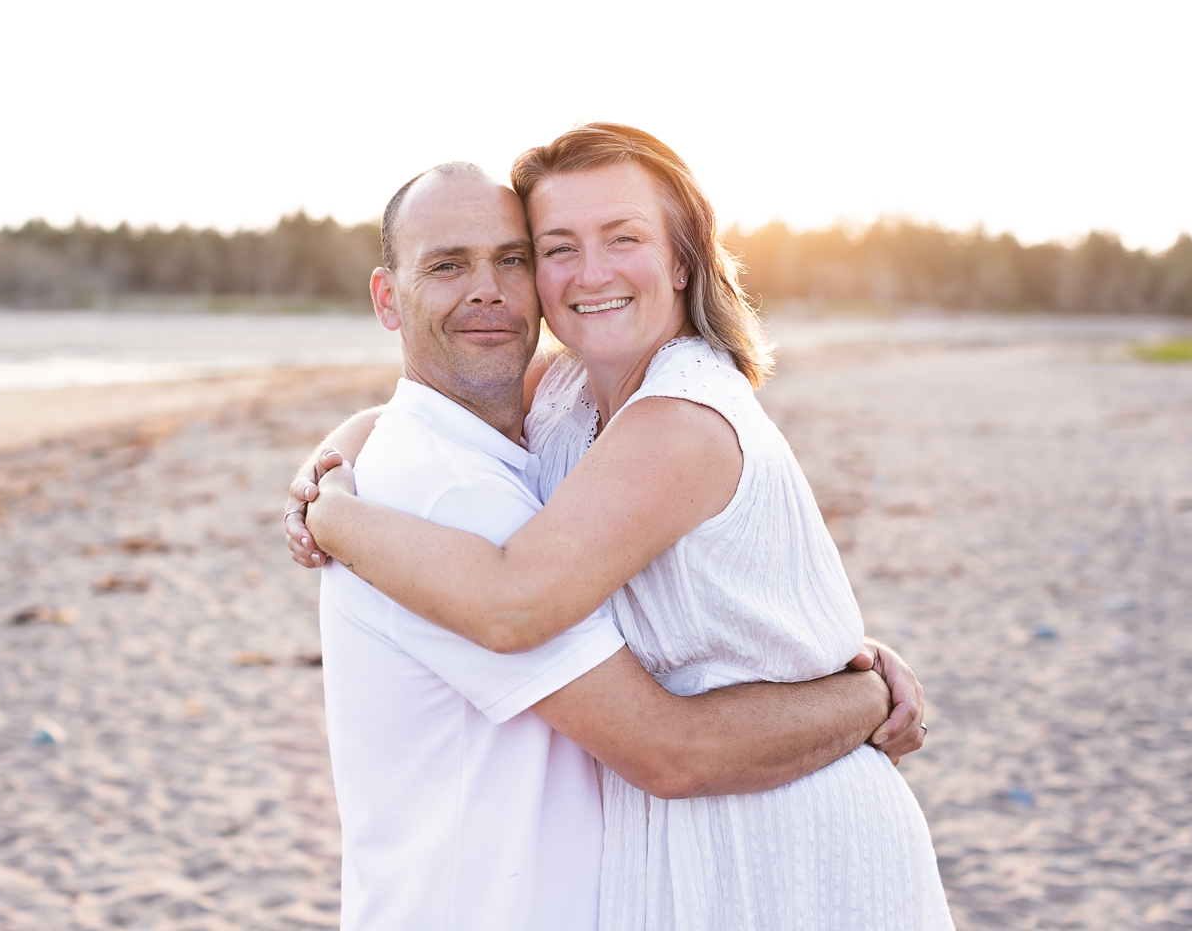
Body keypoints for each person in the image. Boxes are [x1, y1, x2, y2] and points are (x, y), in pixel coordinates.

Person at [291, 125, 954, 929]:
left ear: (681, 259)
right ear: (388, 297)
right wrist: (334, 458)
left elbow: (514, 606)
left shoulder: (676, 418)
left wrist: (335, 517)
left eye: (623, 238)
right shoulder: (567, 389)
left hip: (779, 830)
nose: (589, 273)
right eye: (558, 247)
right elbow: (420, 407)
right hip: (688, 822)